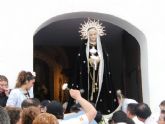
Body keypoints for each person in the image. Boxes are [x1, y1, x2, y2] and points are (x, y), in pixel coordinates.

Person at [68, 18, 118, 115]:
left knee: (101, 95)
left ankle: (99, 113)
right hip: (86, 78)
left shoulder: (102, 48)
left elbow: (106, 66)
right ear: (87, 35)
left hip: (100, 78)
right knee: (87, 94)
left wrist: (98, 61)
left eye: (95, 34)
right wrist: (88, 62)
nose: (93, 36)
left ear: (98, 34)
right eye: (90, 35)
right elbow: (79, 66)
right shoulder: (83, 48)